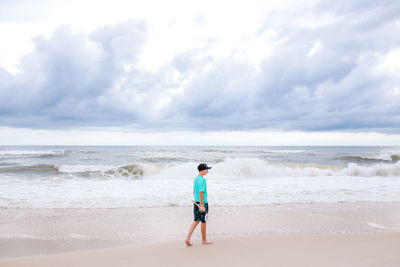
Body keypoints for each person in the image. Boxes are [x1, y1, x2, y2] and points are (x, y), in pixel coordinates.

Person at [185, 163, 213, 246]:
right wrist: (202, 205)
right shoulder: (202, 180)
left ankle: (187, 238)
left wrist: (198, 202)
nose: (207, 171)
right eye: (206, 169)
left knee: (196, 220)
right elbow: (201, 192)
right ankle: (204, 240)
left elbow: (194, 191)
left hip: (196, 202)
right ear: (202, 170)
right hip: (202, 203)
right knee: (203, 221)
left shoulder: (196, 179)